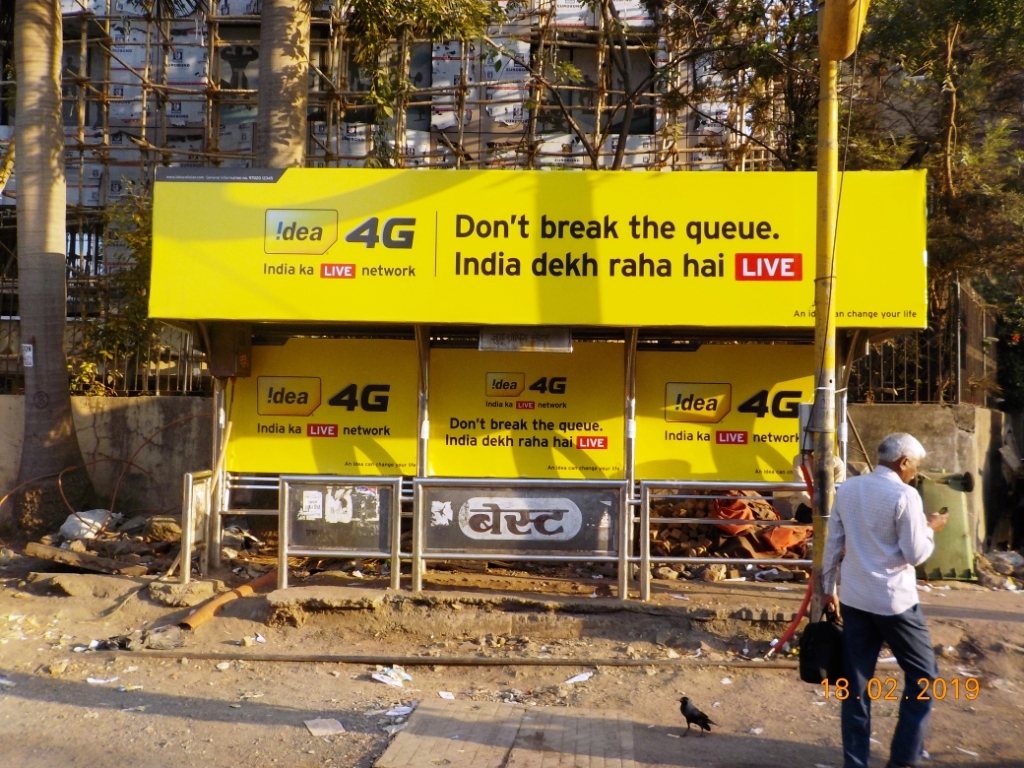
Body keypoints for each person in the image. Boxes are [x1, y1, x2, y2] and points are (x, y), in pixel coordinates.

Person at [821, 433, 949, 768]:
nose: (915, 473)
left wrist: (827, 589)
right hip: (895, 603)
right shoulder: (905, 495)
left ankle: (856, 762)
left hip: (854, 596)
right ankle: (904, 758)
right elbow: (915, 553)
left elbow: (833, 543)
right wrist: (931, 527)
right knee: (924, 676)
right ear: (903, 461)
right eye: (915, 466)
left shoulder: (847, 489)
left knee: (855, 686)